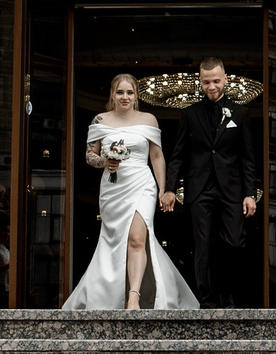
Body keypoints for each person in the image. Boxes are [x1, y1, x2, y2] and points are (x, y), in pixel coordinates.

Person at [67, 72, 199, 310]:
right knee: (114, 241)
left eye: (130, 92)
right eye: (120, 92)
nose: (125, 97)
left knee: (138, 238)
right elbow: (89, 156)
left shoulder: (149, 120)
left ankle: (134, 297)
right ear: (112, 95)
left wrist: (163, 189)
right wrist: (104, 162)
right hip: (113, 187)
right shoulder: (100, 120)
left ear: (137, 95)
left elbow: (156, 155)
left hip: (142, 183)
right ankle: (106, 293)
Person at [163, 57, 264, 308]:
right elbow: (178, 156)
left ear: (225, 79)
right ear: (200, 81)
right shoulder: (189, 114)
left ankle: (228, 296)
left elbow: (248, 158)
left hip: (232, 189)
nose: (211, 86)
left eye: (216, 81)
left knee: (233, 242)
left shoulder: (241, 113)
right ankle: (207, 301)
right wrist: (169, 189)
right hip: (199, 189)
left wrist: (250, 193)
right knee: (203, 245)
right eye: (206, 82)